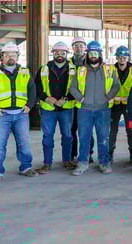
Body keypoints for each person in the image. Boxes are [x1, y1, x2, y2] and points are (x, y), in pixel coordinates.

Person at [0, 43, 38, 184]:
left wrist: (29, 106)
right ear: (1, 57)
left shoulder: (25, 71)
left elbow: (32, 90)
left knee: (24, 143)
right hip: (1, 115)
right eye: (7, 55)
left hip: (21, 114)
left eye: (13, 55)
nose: (10, 57)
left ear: (18, 56)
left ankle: (26, 167)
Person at [70, 41, 120, 176]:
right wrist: (81, 99)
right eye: (91, 53)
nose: (93, 56)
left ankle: (104, 163)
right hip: (84, 110)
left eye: (95, 53)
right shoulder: (81, 70)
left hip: (103, 109)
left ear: (100, 54)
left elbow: (116, 86)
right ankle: (82, 163)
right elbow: (73, 87)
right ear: (87, 55)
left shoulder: (109, 69)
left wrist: (107, 98)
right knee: (84, 137)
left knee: (103, 137)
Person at [34, 42, 77, 174]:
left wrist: (65, 99)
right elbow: (37, 88)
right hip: (48, 108)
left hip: (66, 107)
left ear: (66, 54)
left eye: (62, 53)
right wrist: (47, 98)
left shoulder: (74, 69)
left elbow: (78, 87)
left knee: (67, 136)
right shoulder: (44, 69)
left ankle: (67, 160)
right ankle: (47, 163)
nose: (60, 55)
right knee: (47, 136)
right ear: (53, 53)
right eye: (57, 52)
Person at [109, 46, 132, 165]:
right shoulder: (110, 70)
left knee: (131, 130)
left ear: (127, 58)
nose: (122, 59)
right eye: (120, 57)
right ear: (116, 57)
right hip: (114, 106)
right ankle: (109, 155)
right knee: (112, 131)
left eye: (124, 57)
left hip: (129, 107)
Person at [70, 36, 93, 163]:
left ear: (85, 48)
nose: (78, 48)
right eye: (76, 45)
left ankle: (88, 154)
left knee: (86, 130)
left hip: (86, 103)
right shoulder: (68, 64)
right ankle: (72, 154)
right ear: (72, 48)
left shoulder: (91, 63)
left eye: (81, 45)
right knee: (71, 130)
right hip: (70, 103)